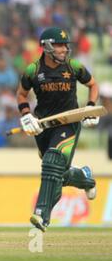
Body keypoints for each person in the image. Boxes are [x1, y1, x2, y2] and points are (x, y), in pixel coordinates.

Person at [16, 27, 100, 232]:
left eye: (65, 45)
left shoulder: (74, 66)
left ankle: (41, 215)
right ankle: (84, 177)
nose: (64, 49)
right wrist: (26, 115)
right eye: (60, 45)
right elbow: (21, 94)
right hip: (43, 126)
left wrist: (90, 107)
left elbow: (93, 85)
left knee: (52, 161)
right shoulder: (33, 70)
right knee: (57, 174)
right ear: (46, 46)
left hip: (68, 123)